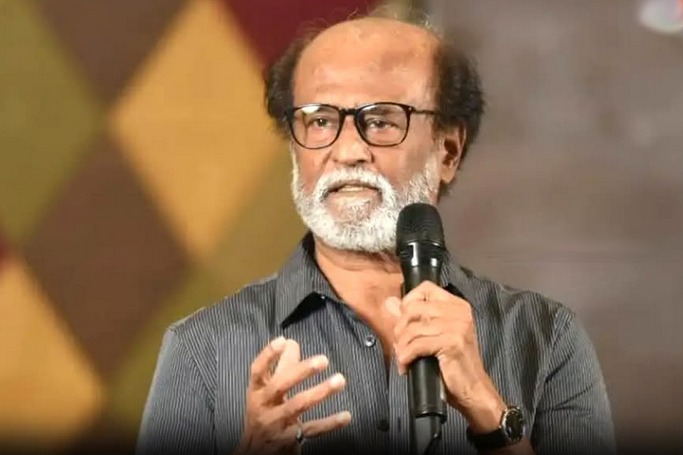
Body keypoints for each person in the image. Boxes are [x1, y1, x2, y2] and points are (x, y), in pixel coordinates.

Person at [136, 9, 615, 455]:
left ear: (448, 151)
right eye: (321, 120)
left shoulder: (546, 336)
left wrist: (485, 406)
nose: (348, 151)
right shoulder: (202, 348)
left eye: (382, 120)